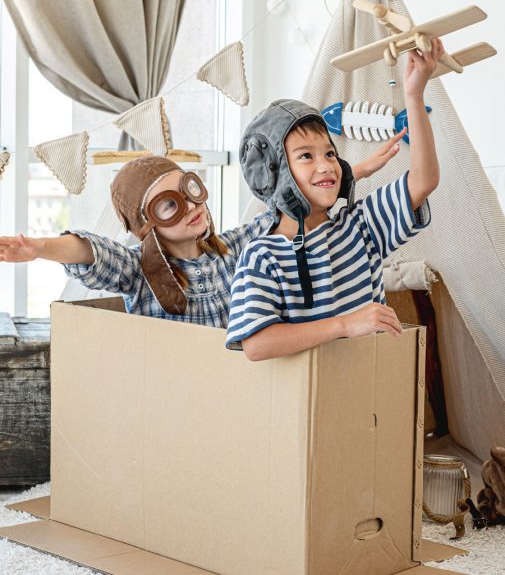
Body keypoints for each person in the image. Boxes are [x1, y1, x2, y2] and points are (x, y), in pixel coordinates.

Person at [0, 139, 401, 327]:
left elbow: (285, 211)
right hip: (183, 393)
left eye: (190, 191)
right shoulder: (141, 274)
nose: (191, 207)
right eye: (169, 205)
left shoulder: (233, 249)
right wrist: (38, 247)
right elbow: (92, 252)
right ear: (147, 226)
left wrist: (351, 171)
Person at [226, 40, 443, 357]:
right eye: (306, 156)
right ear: (275, 174)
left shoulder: (360, 227)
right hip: (308, 402)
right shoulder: (262, 255)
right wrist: (344, 325)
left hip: (369, 388)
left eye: (329, 153)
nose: (326, 164)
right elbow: (257, 344)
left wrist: (414, 95)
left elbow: (423, 180)